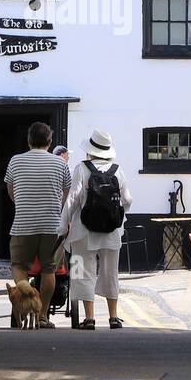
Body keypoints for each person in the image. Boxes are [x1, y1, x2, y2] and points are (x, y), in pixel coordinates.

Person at [62, 129, 133, 329]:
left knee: (81, 271)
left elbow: (72, 201)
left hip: (82, 232)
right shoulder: (118, 170)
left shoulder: (81, 169)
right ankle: (113, 316)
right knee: (111, 272)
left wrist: (62, 226)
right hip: (111, 232)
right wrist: (117, 218)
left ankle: (90, 318)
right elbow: (128, 200)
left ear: (89, 151)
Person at [4, 121, 71, 328]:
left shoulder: (15, 161)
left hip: (23, 224)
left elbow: (11, 192)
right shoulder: (60, 164)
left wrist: (24, 204)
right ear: (49, 142)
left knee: (18, 266)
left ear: (28, 141)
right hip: (52, 226)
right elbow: (66, 194)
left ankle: (23, 302)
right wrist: (54, 208)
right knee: (49, 270)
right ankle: (42, 316)